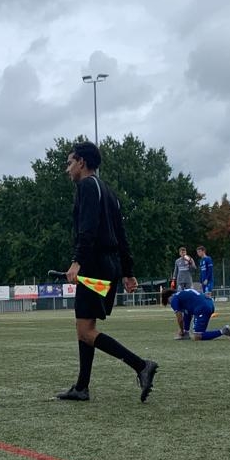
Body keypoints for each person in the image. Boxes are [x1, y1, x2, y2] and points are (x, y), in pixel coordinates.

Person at [57, 141, 158, 403]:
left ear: (81, 162)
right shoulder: (108, 192)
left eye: (69, 163)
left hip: (94, 267)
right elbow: (121, 234)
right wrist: (128, 270)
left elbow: (88, 229)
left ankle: (141, 365)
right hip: (108, 267)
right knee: (85, 325)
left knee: (85, 330)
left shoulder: (87, 186)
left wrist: (77, 261)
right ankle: (81, 387)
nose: (67, 169)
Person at [161, 287, 230, 341]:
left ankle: (223, 331)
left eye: (168, 302)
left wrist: (181, 330)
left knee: (197, 336)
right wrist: (185, 331)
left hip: (202, 308)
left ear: (168, 298)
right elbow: (187, 314)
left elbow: (180, 319)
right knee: (198, 332)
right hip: (209, 304)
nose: (170, 304)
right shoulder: (182, 294)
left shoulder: (174, 299)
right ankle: (186, 334)